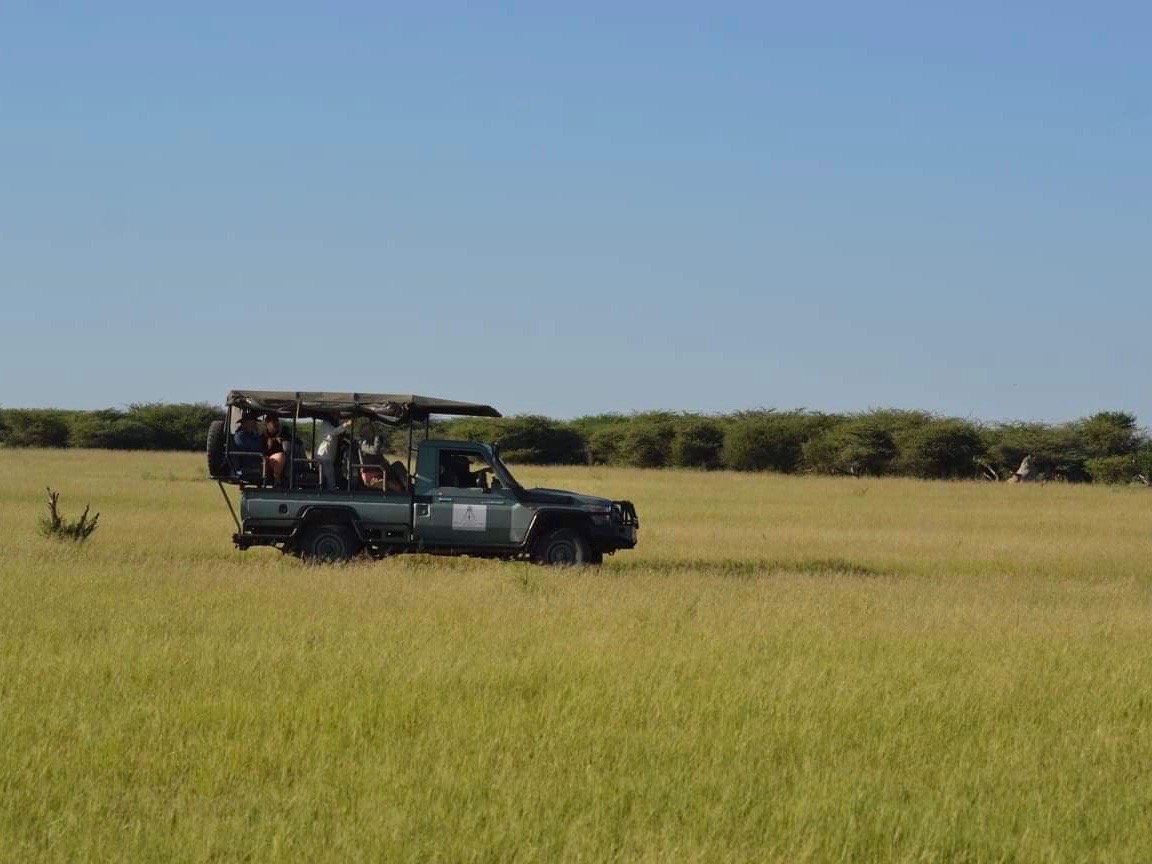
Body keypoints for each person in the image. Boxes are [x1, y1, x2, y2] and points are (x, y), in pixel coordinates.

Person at [312, 414, 351, 491]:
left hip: (327, 457)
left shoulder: (330, 425)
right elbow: (334, 432)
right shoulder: (326, 424)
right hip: (324, 456)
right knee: (330, 479)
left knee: (327, 477)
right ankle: (330, 494)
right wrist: (346, 424)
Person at [231, 412, 264, 480]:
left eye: (254, 422)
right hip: (245, 465)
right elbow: (256, 447)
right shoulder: (240, 436)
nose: (255, 424)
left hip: (254, 461)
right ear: (245, 423)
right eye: (252, 422)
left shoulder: (253, 434)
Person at [262, 416, 288, 486]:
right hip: (267, 462)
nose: (276, 424)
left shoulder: (279, 435)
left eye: (277, 422)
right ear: (267, 424)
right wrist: (273, 440)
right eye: (273, 422)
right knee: (281, 456)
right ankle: (277, 480)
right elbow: (264, 450)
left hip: (280, 462)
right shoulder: (264, 436)